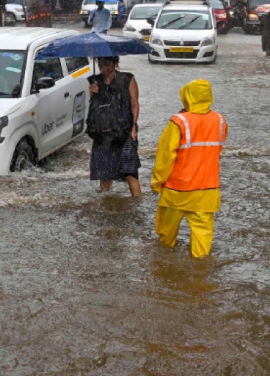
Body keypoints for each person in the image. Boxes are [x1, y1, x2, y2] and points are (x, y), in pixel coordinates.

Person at [151, 79, 228, 259]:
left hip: (177, 190)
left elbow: (164, 156)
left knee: (166, 236)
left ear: (187, 95)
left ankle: (164, 267)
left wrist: (157, 182)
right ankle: (200, 273)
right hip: (207, 190)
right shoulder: (220, 120)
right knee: (203, 239)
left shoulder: (178, 121)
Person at [88, 56, 142, 197]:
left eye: (107, 65)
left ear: (115, 64)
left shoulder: (128, 79)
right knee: (105, 174)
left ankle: (137, 205)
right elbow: (94, 109)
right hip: (103, 133)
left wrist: (134, 126)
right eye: (100, 65)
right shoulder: (95, 81)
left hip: (124, 131)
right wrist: (92, 94)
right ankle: (105, 204)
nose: (103, 68)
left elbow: (134, 104)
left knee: (130, 172)